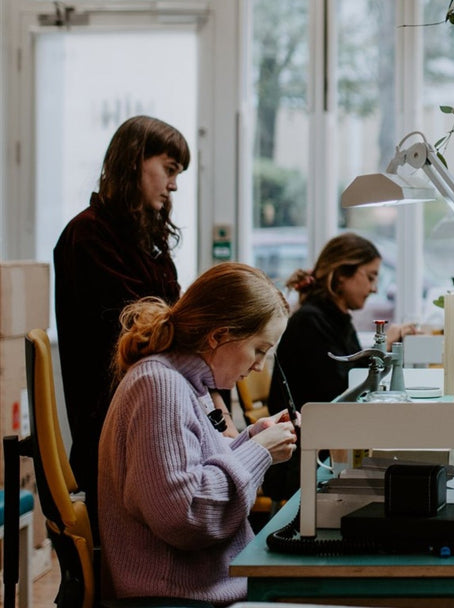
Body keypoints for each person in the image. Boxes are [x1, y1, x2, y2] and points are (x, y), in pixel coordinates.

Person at [53, 115, 231, 529]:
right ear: (135, 161)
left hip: (153, 414)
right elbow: (152, 333)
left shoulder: (143, 240)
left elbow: (175, 321)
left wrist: (217, 399)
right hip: (120, 428)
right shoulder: (88, 236)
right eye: (169, 170)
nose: (173, 185)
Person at [98, 262, 296, 604]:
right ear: (219, 336)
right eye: (259, 350)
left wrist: (250, 439)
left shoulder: (187, 383)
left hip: (201, 588)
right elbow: (185, 515)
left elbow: (194, 465)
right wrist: (259, 452)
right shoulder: (160, 386)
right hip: (177, 596)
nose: (259, 365)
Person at [261, 233, 416, 501]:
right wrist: (384, 349)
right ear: (342, 274)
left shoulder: (335, 319)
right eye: (370, 276)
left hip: (324, 446)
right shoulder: (311, 322)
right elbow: (341, 392)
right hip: (303, 461)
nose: (375, 288)